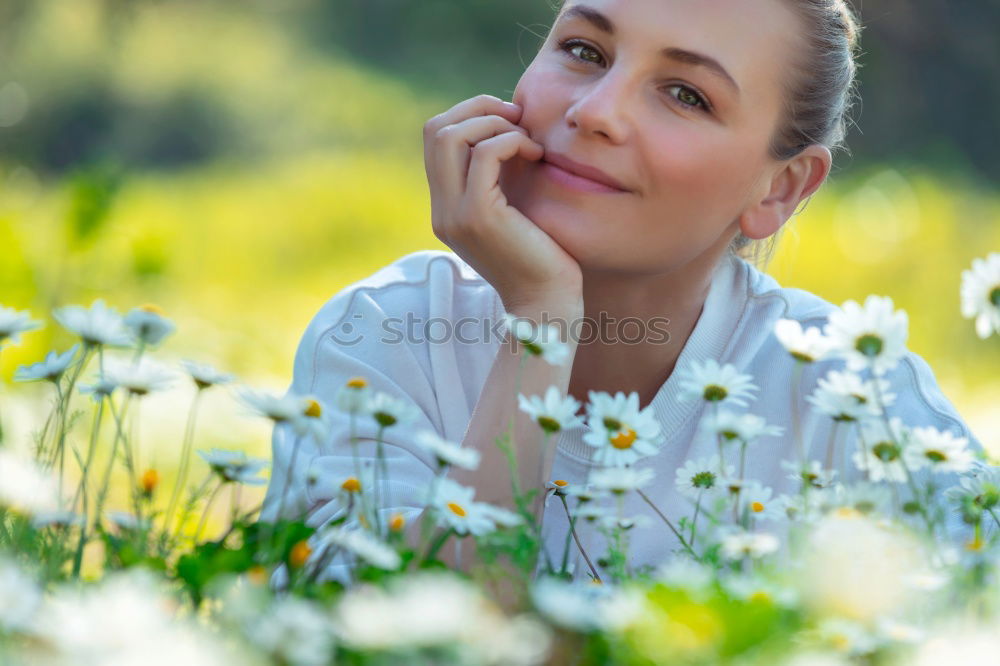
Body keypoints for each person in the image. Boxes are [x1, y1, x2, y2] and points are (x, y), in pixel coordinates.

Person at [260, 0, 982, 580]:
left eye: (685, 95)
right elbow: (399, 636)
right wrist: (540, 322)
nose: (596, 111)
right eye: (584, 51)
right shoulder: (387, 335)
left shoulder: (847, 395)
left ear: (781, 188)